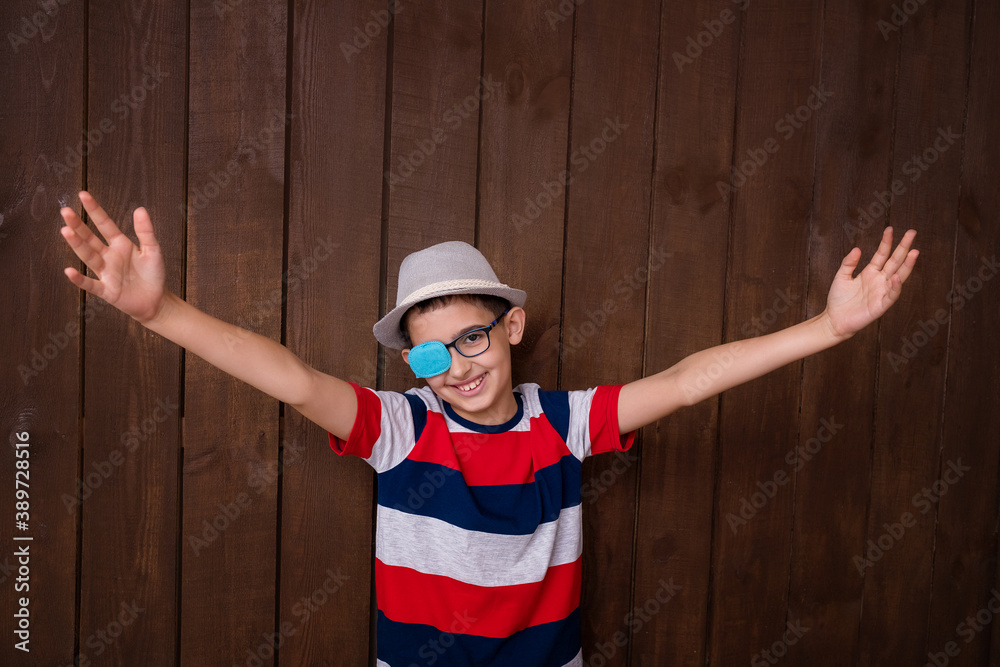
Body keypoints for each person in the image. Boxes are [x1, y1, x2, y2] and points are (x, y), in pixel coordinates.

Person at [58, 191, 919, 666]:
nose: (457, 367)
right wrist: (161, 312)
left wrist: (827, 328)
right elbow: (290, 376)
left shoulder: (564, 423)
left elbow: (687, 382)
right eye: (431, 354)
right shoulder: (401, 428)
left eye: (472, 338)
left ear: (511, 327)